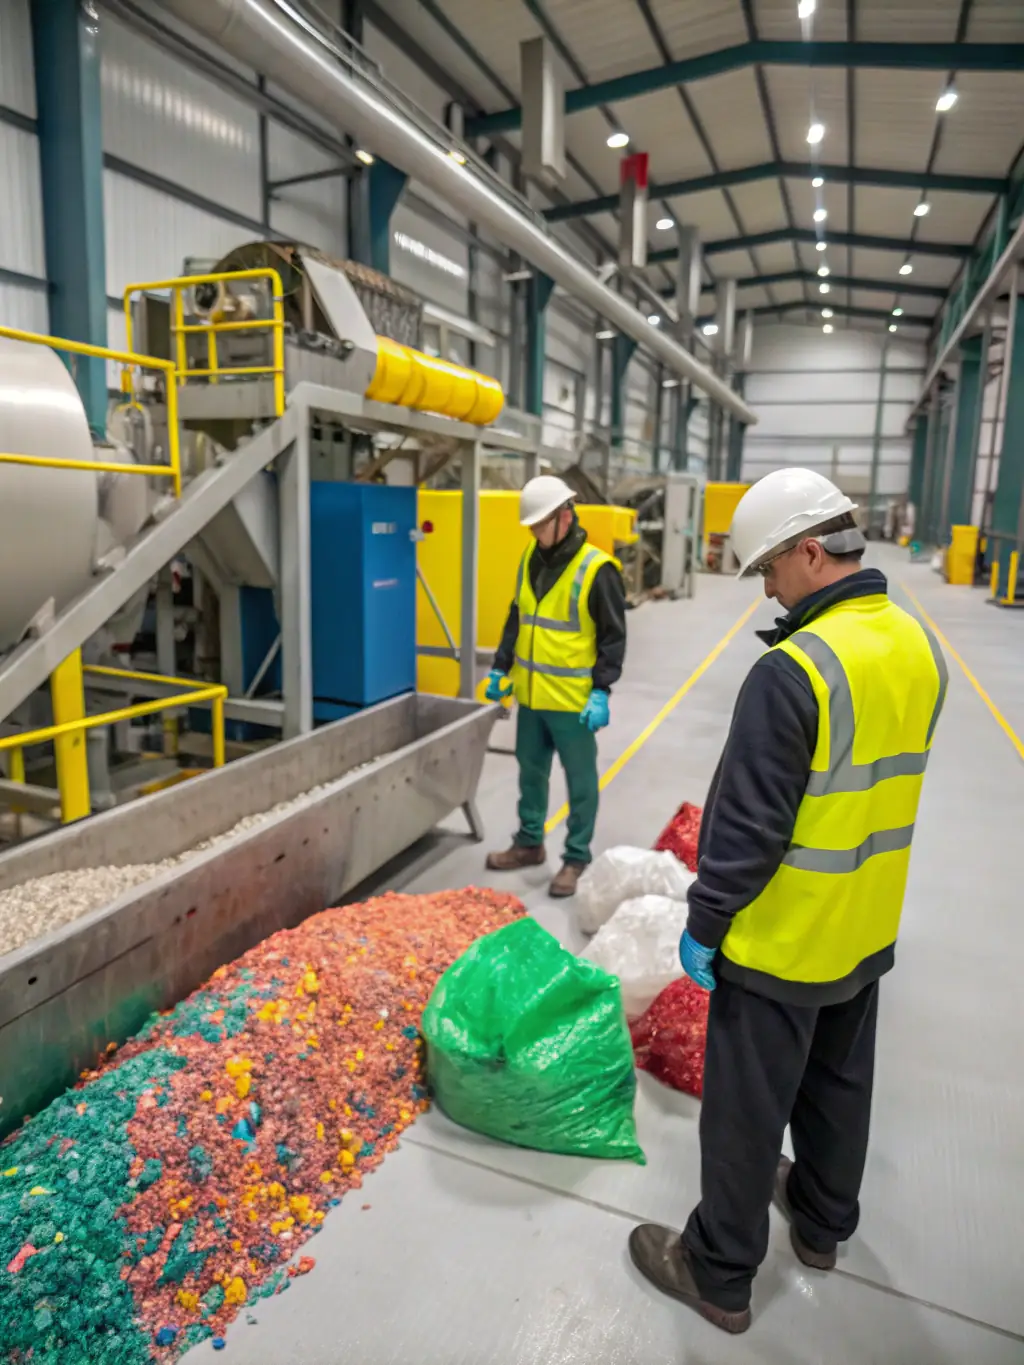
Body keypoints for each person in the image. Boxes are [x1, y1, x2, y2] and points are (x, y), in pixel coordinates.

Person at [628, 468, 948, 1334]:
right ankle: (820, 1224)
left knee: (745, 1115)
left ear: (812, 551)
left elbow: (747, 831)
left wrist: (705, 923)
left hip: (781, 940)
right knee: (840, 1087)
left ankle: (720, 1273)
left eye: (770, 568)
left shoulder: (796, 670)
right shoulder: (919, 647)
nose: (765, 587)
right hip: (865, 927)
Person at [484, 475, 627, 898]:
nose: (533, 533)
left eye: (539, 525)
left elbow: (613, 638)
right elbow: (518, 617)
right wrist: (499, 668)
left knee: (580, 782)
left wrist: (602, 690)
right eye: (531, 527)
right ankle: (530, 843)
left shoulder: (597, 570)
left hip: (572, 702)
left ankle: (576, 856)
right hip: (531, 697)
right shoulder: (531, 556)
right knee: (531, 774)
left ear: (565, 517)